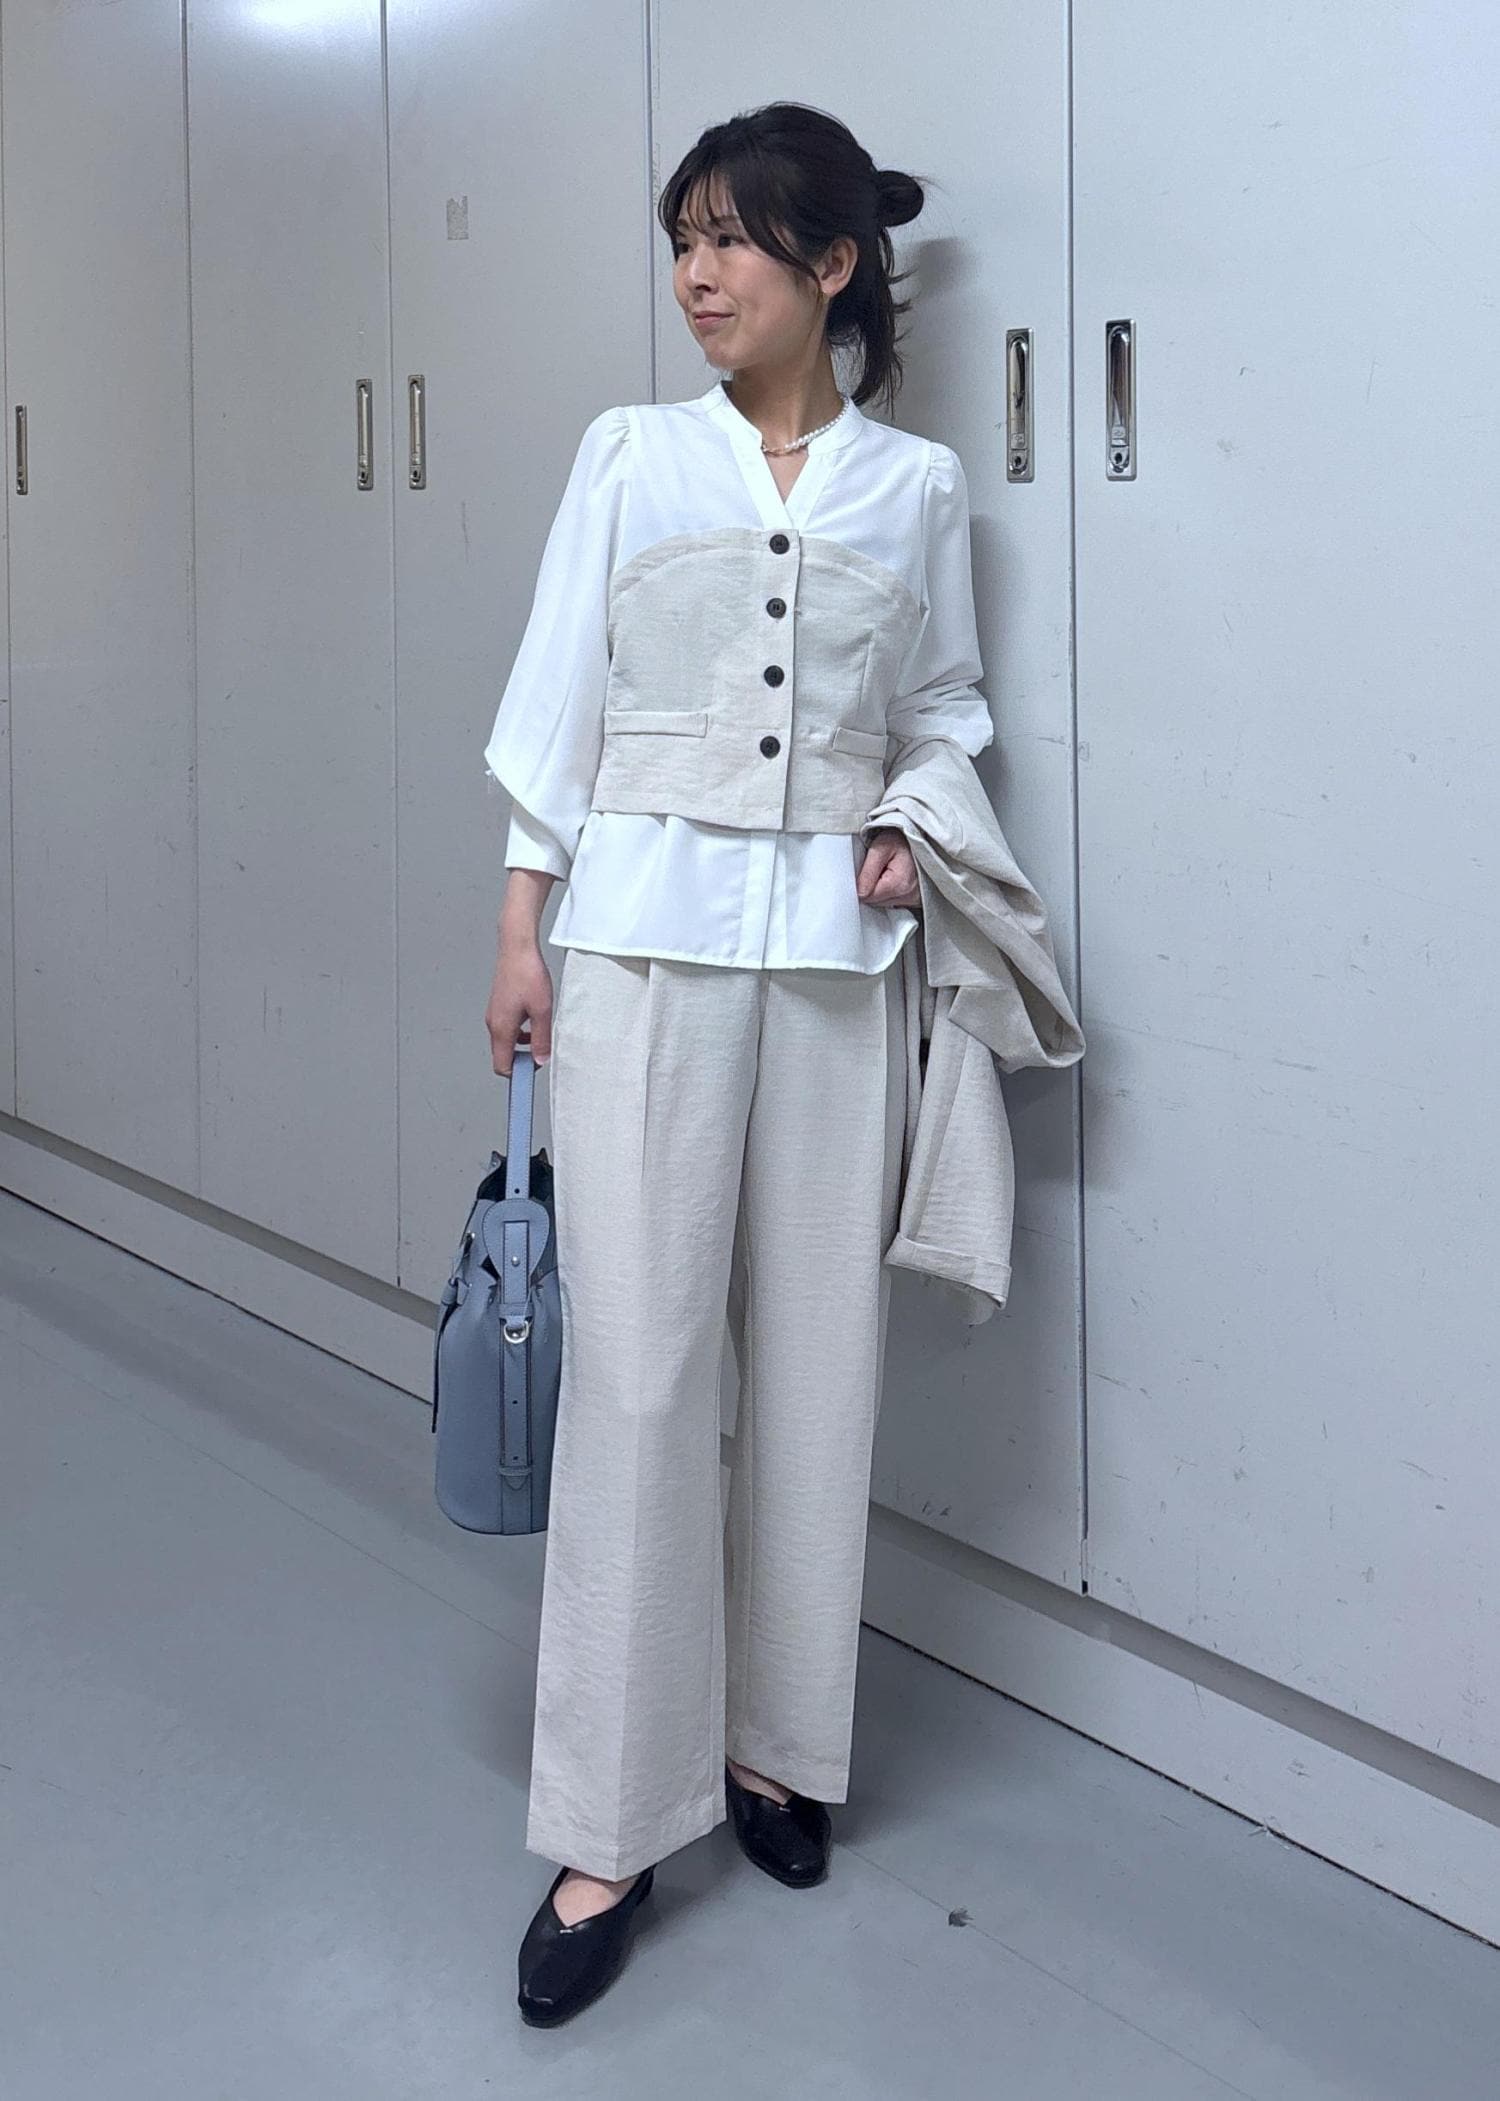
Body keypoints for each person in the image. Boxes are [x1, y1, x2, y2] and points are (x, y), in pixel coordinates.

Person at [483, 103, 998, 2027]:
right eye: (681, 241)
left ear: (831, 264)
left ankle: (782, 1748)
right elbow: (558, 698)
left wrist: (914, 820)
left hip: (838, 975)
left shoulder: (918, 489)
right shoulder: (629, 455)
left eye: (731, 241)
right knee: (636, 1381)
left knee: (816, 1371)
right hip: (641, 957)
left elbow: (946, 708)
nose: (695, 276)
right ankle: (610, 1822)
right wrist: (521, 927)